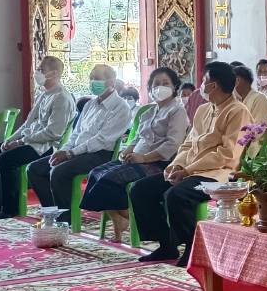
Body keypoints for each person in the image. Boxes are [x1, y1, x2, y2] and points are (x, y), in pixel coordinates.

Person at [133, 60, 250, 265]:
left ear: (213, 85)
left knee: (177, 195)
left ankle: (192, 247)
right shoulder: (203, 110)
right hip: (189, 169)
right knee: (141, 189)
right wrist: (177, 165)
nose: (201, 86)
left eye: (204, 81)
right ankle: (166, 244)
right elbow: (188, 143)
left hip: (218, 174)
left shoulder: (238, 111)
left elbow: (227, 154)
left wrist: (187, 170)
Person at [81, 66, 190, 237]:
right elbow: (137, 137)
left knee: (110, 179)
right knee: (95, 173)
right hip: (136, 158)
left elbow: (172, 144)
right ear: (150, 88)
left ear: (174, 87)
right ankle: (119, 217)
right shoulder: (149, 111)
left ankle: (126, 216)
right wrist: (127, 151)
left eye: (165, 83)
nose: (160, 87)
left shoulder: (177, 111)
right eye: (156, 84)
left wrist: (144, 158)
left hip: (159, 163)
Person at [0, 56, 75, 219]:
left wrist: (21, 142)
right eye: (38, 69)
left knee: (6, 159)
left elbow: (53, 133)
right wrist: (10, 139)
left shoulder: (62, 98)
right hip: (29, 140)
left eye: (42, 70)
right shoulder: (43, 94)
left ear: (55, 73)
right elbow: (28, 123)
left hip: (45, 147)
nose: (37, 73)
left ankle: (10, 207)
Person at [27, 64, 131, 211]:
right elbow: (75, 133)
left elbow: (101, 140)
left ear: (111, 82)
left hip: (101, 154)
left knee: (58, 172)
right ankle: (52, 211)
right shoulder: (90, 104)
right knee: (34, 169)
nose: (93, 82)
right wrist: (63, 150)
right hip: (77, 151)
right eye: (91, 78)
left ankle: (66, 217)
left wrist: (70, 153)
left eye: (97, 78)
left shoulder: (120, 107)